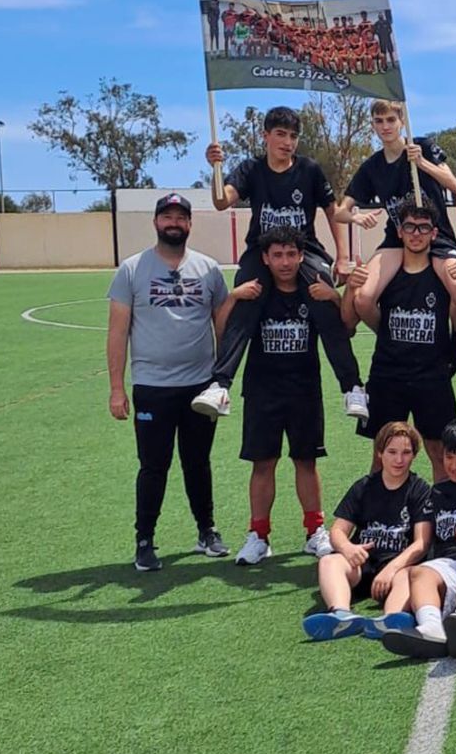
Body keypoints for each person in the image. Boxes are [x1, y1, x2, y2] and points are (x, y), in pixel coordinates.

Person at [196, 106, 367, 423]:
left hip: (305, 251)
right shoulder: (251, 169)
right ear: (266, 136)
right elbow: (222, 202)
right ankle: (220, 385)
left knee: (322, 294)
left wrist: (342, 256)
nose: (287, 142)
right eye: (280, 134)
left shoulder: (309, 170)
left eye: (293, 136)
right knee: (248, 294)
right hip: (262, 252)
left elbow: (332, 211)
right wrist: (216, 168)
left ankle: (353, 387)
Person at [107, 193, 232, 571]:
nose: (174, 222)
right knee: (153, 465)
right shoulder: (131, 269)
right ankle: (145, 540)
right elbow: (117, 332)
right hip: (152, 387)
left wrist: (221, 379)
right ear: (156, 222)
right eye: (167, 216)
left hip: (199, 386)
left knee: (198, 462)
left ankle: (206, 531)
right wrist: (117, 387)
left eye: (181, 217)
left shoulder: (209, 269)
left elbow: (223, 324)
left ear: (190, 224)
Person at [219, 226, 357, 564]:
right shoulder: (255, 295)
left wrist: (337, 296)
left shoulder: (313, 292)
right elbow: (225, 333)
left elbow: (345, 331)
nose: (285, 262)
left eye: (291, 254)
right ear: (265, 258)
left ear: (301, 256)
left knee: (305, 462)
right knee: (263, 463)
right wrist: (234, 296)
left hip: (304, 389)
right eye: (277, 255)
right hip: (262, 391)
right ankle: (259, 536)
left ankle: (314, 532)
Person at [344, 199, 456, 471]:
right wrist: (352, 290)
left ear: (434, 234)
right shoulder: (386, 275)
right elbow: (353, 317)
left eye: (423, 228)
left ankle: (442, 511)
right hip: (388, 373)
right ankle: (382, 513)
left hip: (431, 375)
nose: (416, 233)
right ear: (399, 231)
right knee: (383, 453)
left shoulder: (442, 276)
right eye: (409, 227)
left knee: (440, 452)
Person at [338, 100, 456, 328]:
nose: (385, 126)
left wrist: (422, 163)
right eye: (379, 121)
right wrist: (356, 218)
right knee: (364, 299)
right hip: (397, 239)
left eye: (390, 120)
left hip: (436, 236)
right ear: (373, 125)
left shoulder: (422, 147)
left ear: (402, 122)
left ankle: (455, 341)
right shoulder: (372, 167)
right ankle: (391, 340)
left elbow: (455, 186)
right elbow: (340, 212)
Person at [379, 419, 456, 659]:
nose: (454, 466)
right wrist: (394, 568)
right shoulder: (437, 491)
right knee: (420, 573)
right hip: (446, 563)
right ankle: (431, 628)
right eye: (448, 457)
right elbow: (422, 541)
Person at [302, 423, 434, 640]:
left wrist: (392, 569)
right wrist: (347, 548)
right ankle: (341, 615)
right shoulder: (364, 487)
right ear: (380, 453)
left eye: (406, 453)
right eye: (392, 452)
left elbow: (422, 543)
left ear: (414, 455)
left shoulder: (419, 489)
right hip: (363, 563)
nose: (399, 460)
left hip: (398, 563)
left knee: (409, 575)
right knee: (328, 562)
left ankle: (392, 618)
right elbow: (337, 530)